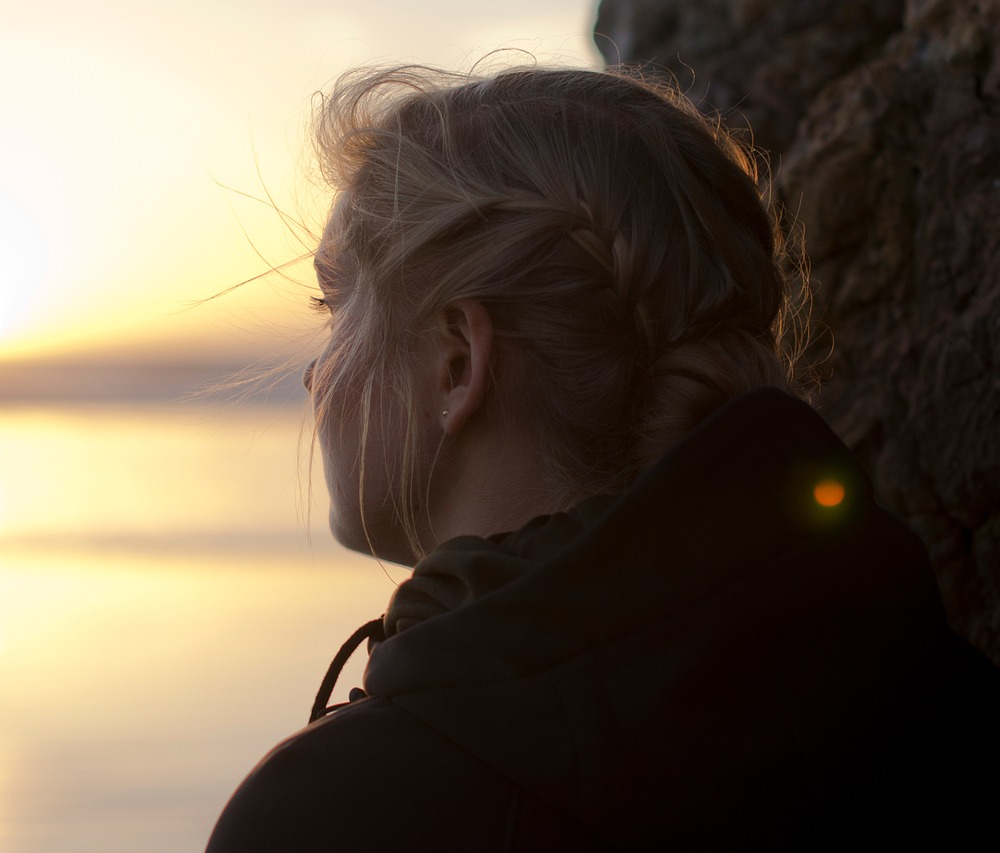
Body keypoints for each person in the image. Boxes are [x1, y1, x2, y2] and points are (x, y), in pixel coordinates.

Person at [207, 63, 1000, 851]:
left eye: (336, 307)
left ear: (456, 362)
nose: (317, 370)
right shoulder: (937, 693)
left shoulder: (336, 816)